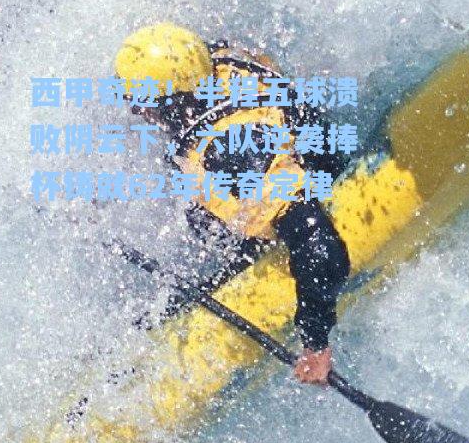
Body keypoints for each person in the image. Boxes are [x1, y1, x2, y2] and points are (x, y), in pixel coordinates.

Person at [114, 22, 351, 385]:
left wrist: (315, 343)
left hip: (302, 200)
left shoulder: (231, 153)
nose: (136, 113)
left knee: (203, 227)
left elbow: (320, 248)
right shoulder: (219, 59)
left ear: (165, 104)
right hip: (296, 155)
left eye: (139, 104)